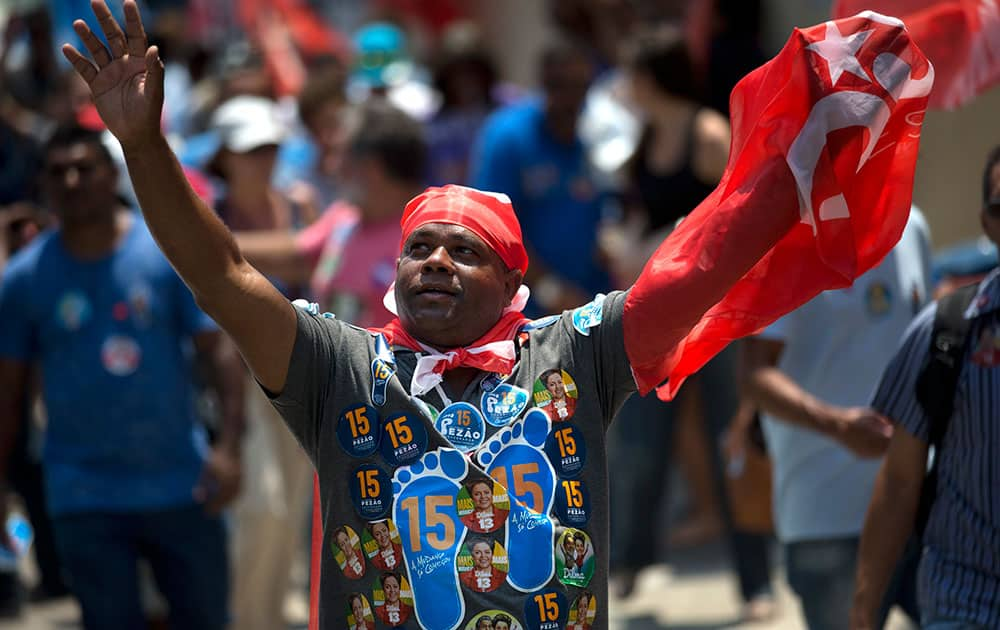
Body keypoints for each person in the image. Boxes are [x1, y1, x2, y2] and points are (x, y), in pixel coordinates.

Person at [57, 4, 897, 628]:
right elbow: (222, 272)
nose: (435, 262)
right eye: (420, 247)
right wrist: (143, 144)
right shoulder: (338, 365)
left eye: (465, 252)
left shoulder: (575, 353)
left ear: (511, 283)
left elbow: (697, 265)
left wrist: (806, 151)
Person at [0, 125, 243, 629]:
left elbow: (218, 350)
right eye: (58, 171)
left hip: (182, 484)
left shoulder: (163, 256)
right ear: (43, 184)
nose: (72, 180)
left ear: (112, 175)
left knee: (205, 619)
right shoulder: (24, 280)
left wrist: (230, 448)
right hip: (82, 493)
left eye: (85, 168)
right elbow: (8, 394)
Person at [740, 208, 933, 629]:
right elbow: (755, 375)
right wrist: (838, 426)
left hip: (919, 506)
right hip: (827, 516)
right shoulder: (788, 238)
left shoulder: (912, 225)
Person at [850, 147, 1000, 630]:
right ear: (988, 224)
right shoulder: (947, 332)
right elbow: (899, 481)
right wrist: (865, 608)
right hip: (966, 600)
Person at [236, 100, 427, 328]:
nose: (330, 166)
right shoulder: (345, 219)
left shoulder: (430, 236)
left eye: (338, 153)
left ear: (371, 167)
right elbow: (297, 257)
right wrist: (201, 241)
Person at [469, 39, 610, 315]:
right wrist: (548, 286)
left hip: (592, 298)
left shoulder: (595, 132)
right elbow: (493, 225)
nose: (571, 96)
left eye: (580, 86)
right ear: (543, 82)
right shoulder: (508, 135)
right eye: (560, 85)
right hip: (527, 307)